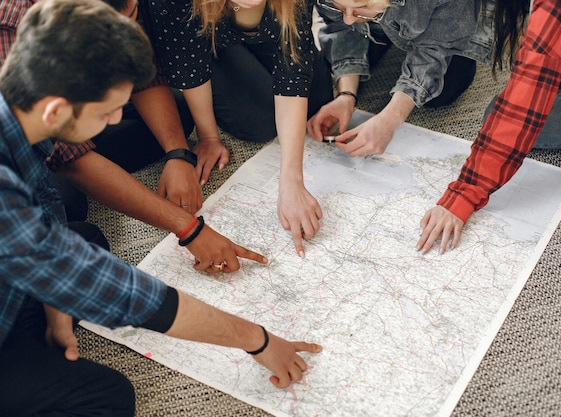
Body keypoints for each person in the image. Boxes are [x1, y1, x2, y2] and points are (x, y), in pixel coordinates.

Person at [0, 1, 322, 415]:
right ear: (56, 111)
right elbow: (129, 296)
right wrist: (255, 339)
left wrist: (55, 298)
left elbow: (47, 208)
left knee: (85, 239)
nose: (118, 117)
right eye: (107, 111)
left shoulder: (20, 117)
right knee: (107, 396)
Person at [1, 0, 266, 274]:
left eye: (133, 16)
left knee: (176, 113)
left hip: (57, 120)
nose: (114, 116)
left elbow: (142, 74)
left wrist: (178, 152)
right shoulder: (12, 33)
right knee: (67, 202)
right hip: (32, 145)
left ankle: (99, 155)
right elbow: (71, 156)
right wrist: (187, 228)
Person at [418, 0, 561, 254]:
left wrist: (462, 196)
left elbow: (523, 105)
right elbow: (523, 97)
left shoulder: (556, 8)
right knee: (499, 112)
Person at [146, 0, 335, 257]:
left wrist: (292, 180)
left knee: (318, 96)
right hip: (200, 40)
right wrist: (208, 136)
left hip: (268, 29)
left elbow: (294, 71)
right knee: (259, 123)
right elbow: (188, 63)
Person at [307, 0, 493, 158]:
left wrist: (389, 120)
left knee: (442, 91)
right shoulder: (346, 13)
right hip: (388, 15)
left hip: (446, 24)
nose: (348, 19)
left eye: (360, 6)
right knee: (335, 61)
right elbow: (341, 27)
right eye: (339, 7)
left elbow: (434, 49)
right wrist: (346, 95)